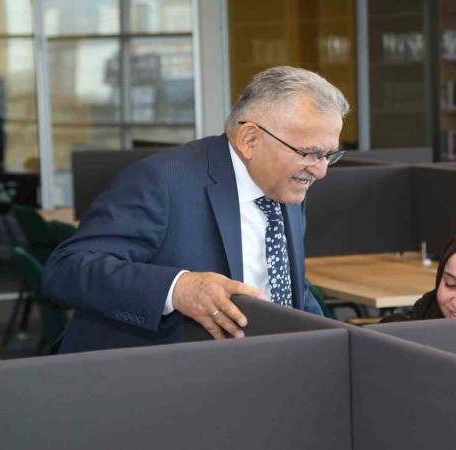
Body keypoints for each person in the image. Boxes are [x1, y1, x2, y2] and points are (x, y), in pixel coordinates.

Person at [43, 66, 349, 352]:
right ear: (250, 139)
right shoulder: (162, 180)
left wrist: (342, 343)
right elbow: (66, 270)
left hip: (262, 366)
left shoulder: (285, 186)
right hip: (156, 373)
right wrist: (177, 289)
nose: (320, 171)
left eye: (328, 155)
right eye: (309, 153)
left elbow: (287, 289)